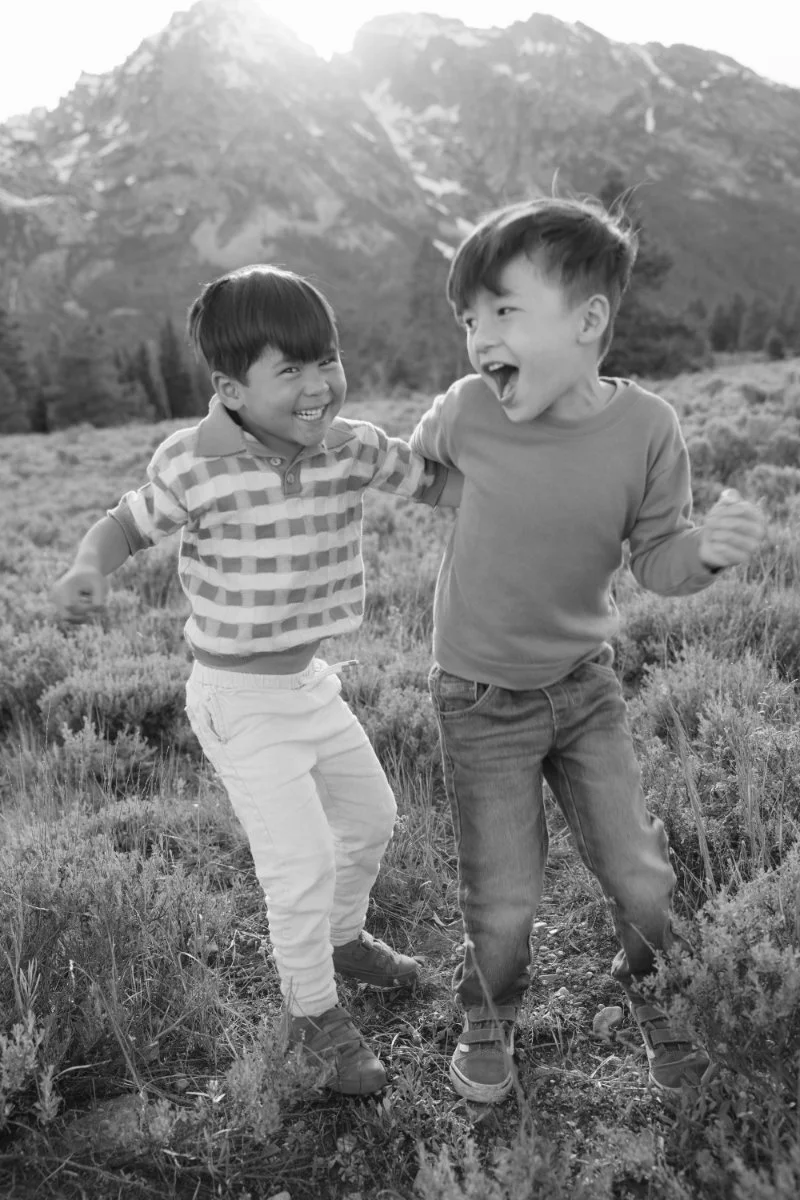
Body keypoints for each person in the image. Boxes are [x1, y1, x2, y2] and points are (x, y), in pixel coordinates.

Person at [52, 264, 460, 1096]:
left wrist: (536, 485)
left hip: (310, 684)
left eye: (328, 360)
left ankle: (343, 940)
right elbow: (126, 524)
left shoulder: (350, 445)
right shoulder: (195, 464)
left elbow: (438, 484)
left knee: (372, 818)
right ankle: (311, 1016)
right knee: (299, 861)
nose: (319, 386)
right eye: (292, 370)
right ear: (231, 390)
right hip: (238, 699)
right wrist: (89, 568)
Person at [409, 195, 766, 1104]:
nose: (480, 338)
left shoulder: (648, 430)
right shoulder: (467, 409)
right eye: (469, 320)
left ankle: (655, 991)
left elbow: (658, 557)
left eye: (503, 310)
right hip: (479, 697)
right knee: (504, 898)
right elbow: (427, 472)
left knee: (640, 875)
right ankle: (490, 1012)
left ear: (589, 320)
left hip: (583, 688)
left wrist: (706, 554)